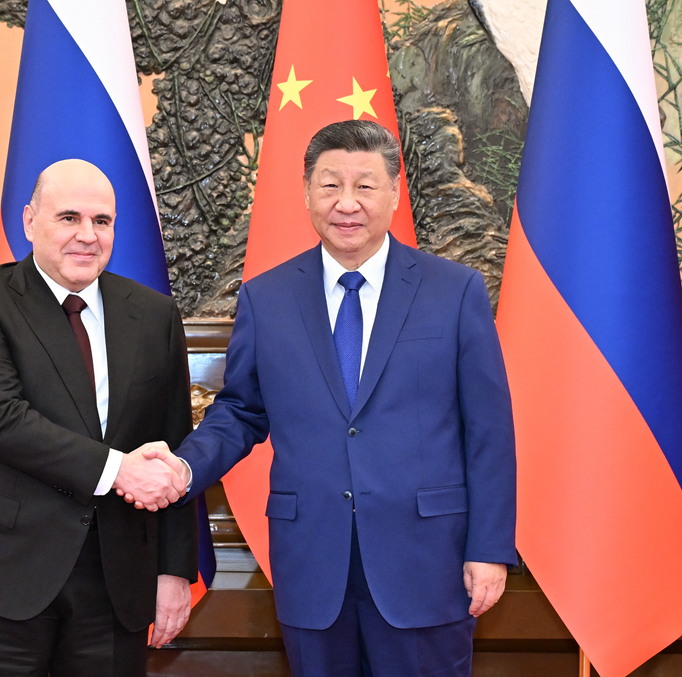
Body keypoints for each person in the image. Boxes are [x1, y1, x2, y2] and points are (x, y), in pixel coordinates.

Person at [135, 120, 517, 677]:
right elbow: (241, 410)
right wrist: (183, 467)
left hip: (427, 563)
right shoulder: (266, 298)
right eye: (330, 184)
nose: (347, 203)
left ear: (394, 193)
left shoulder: (454, 291)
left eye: (365, 185)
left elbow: (489, 430)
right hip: (312, 562)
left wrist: (488, 549)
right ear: (307, 193)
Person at [0, 159, 197, 677]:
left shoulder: (154, 315)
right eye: (69, 218)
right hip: (4, 574)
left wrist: (173, 571)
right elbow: (0, 419)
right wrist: (119, 469)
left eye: (102, 221)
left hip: (117, 582)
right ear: (30, 222)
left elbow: (172, 444)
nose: (87, 235)